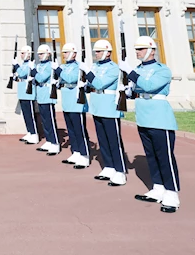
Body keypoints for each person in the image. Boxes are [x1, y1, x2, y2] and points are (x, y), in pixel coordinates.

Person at [120, 36, 180, 213]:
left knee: (165, 157)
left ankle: (172, 193)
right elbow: (137, 90)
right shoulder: (138, 69)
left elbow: (148, 86)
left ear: (152, 50)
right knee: (151, 155)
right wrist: (128, 90)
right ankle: (158, 187)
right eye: (136, 49)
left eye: (141, 49)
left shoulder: (163, 70)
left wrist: (130, 73)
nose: (137, 52)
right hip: (144, 117)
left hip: (160, 118)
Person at [79, 39, 127, 186]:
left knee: (114, 141)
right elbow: (91, 85)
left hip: (109, 107)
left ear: (107, 53)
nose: (96, 54)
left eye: (99, 51)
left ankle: (120, 171)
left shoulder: (113, 68)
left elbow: (99, 83)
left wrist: (87, 72)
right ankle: (109, 166)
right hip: (97, 106)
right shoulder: (95, 66)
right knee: (102, 140)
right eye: (95, 52)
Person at [55, 43, 91, 169]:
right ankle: (76, 152)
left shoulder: (78, 66)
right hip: (67, 101)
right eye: (63, 52)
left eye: (66, 52)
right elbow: (62, 80)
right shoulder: (64, 66)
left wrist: (59, 72)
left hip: (76, 102)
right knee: (71, 129)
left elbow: (70, 79)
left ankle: (84, 155)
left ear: (74, 53)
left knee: (79, 129)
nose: (63, 55)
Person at [30, 44, 60, 156]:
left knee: (50, 121)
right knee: (44, 121)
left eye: (41, 54)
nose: (39, 56)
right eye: (39, 54)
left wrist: (33, 71)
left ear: (48, 54)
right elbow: (35, 79)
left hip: (48, 95)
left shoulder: (49, 66)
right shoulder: (39, 66)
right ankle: (48, 140)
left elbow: (40, 78)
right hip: (41, 95)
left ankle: (55, 143)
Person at [12, 45, 39, 145]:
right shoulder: (23, 64)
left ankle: (35, 134)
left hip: (29, 93)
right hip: (22, 92)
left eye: (23, 53)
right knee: (26, 114)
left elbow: (23, 73)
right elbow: (20, 76)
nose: (21, 55)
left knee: (31, 115)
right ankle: (30, 132)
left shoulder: (30, 64)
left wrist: (16, 66)